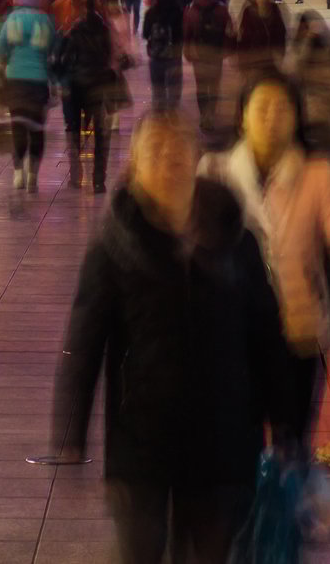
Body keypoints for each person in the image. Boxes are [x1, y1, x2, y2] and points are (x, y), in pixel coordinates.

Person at [47, 114, 294, 564]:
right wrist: (70, 429)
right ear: (135, 166)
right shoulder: (115, 245)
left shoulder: (235, 239)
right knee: (138, 552)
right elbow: (85, 340)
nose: (168, 162)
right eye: (154, 153)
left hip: (223, 438)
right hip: (141, 440)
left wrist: (285, 419)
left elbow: (266, 334)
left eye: (178, 150)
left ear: (196, 160)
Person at [202, 75, 330, 457]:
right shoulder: (215, 172)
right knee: (236, 444)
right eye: (262, 108)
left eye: (283, 109)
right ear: (243, 118)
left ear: (297, 118)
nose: (272, 118)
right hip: (232, 333)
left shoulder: (318, 173)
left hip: (297, 330)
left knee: (292, 443)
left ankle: (283, 513)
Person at [57, 0, 123, 192]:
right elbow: (114, 55)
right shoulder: (105, 29)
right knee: (101, 133)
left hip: (77, 86)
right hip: (99, 85)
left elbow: (64, 59)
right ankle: (98, 180)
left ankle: (76, 175)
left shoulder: (74, 31)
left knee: (73, 129)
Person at [0, 0, 57, 192]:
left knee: (18, 127)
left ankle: (18, 173)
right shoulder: (45, 20)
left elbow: (0, 49)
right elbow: (53, 49)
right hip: (39, 82)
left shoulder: (12, 19)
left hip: (15, 80)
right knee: (37, 129)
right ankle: (33, 175)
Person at [183, 0, 233, 141]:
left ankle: (204, 115)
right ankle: (210, 113)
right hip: (216, 54)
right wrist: (226, 49)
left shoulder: (192, 9)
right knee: (214, 85)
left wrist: (188, 50)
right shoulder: (221, 9)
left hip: (199, 54)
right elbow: (230, 31)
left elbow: (187, 33)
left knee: (202, 86)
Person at [286, 9, 330, 135]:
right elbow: (292, 71)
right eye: (304, 29)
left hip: (323, 114)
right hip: (304, 111)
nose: (308, 33)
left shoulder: (327, 50)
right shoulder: (296, 49)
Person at [142, 0, 188, 116]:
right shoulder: (178, 12)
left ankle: (159, 118)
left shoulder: (151, 13)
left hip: (156, 57)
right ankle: (172, 116)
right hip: (173, 56)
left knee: (158, 91)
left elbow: (145, 34)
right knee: (174, 90)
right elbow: (182, 34)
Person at [233, 0, 289, 90]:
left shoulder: (275, 10)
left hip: (271, 62)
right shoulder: (248, 13)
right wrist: (243, 63)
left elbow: (281, 34)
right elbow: (243, 40)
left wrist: (280, 54)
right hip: (254, 62)